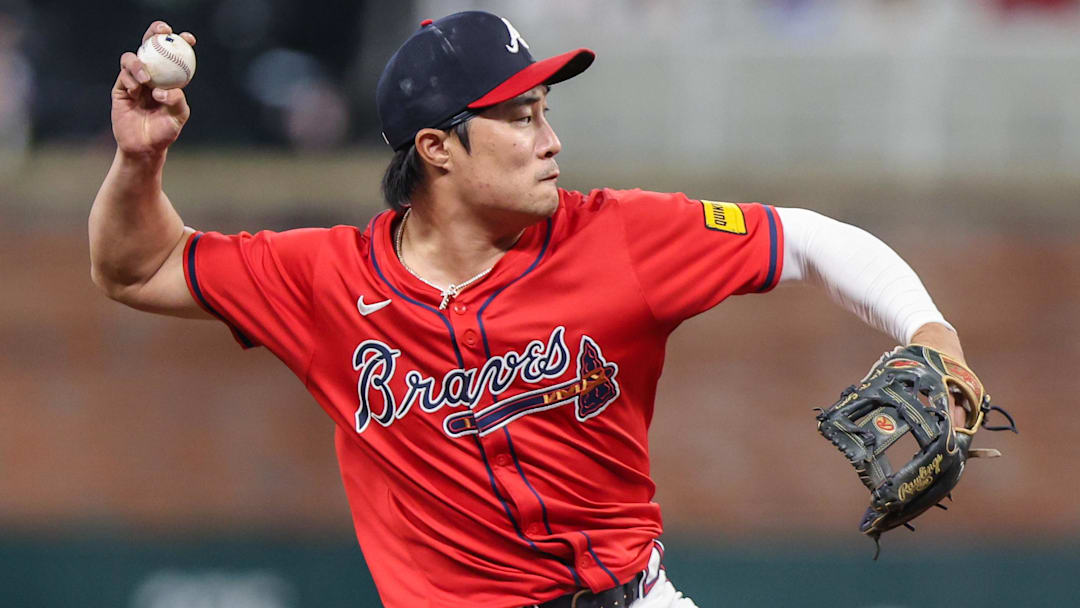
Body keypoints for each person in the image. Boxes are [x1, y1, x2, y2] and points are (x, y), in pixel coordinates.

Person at [91, 12, 976, 608]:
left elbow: (810, 238)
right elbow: (140, 268)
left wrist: (931, 331)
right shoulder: (325, 279)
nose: (550, 139)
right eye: (518, 117)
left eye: (546, 109)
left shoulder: (616, 237)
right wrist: (138, 161)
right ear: (436, 148)